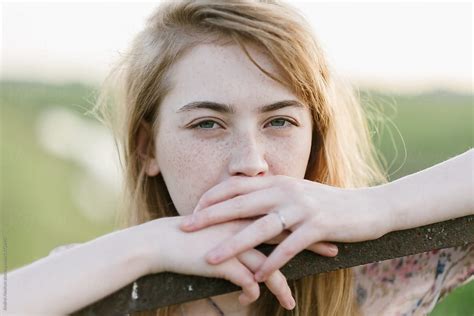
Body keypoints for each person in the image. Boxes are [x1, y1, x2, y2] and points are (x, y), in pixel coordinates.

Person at [2, 0, 472, 315]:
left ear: (316, 138)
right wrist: (144, 247)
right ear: (148, 148)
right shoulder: (93, 279)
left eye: (280, 122)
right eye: (208, 124)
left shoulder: (372, 277)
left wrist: (377, 206)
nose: (251, 163)